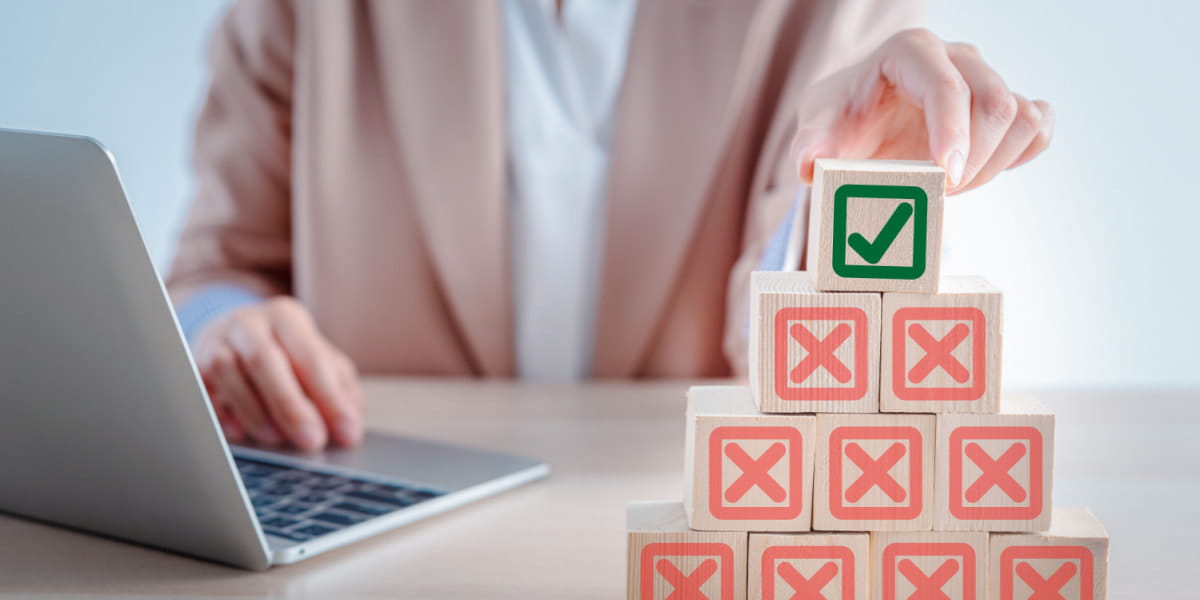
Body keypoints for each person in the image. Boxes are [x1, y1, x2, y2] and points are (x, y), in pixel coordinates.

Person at [168, 0, 1053, 451]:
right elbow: (216, 264)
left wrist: (855, 202)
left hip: (663, 520)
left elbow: (788, 304)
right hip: (372, 508)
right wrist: (221, 331)